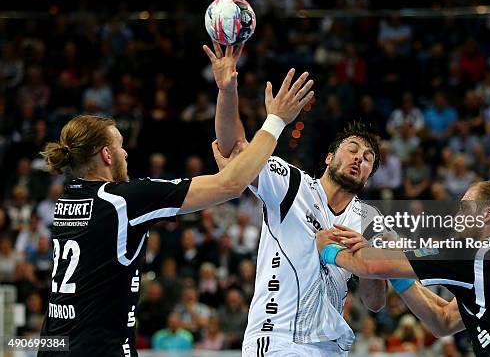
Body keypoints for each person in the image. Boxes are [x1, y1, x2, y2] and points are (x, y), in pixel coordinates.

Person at [37, 64, 312, 357]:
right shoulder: (123, 200)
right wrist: (276, 121)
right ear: (106, 155)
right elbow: (230, 185)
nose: (126, 153)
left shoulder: (66, 201)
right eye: (120, 146)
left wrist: (227, 90)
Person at [204, 42, 387, 356]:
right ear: (329, 157)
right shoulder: (291, 184)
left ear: (370, 174)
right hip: (278, 340)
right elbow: (234, 148)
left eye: (368, 158)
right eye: (353, 149)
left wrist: (365, 257)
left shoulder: (368, 220)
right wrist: (227, 90)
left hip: (331, 347)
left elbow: (375, 303)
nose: (359, 159)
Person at [316, 181, 490, 356]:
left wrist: (327, 248)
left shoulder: (473, 252)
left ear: (487, 214)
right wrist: (395, 272)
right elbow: (442, 320)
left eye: (465, 208)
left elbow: (369, 265)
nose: (457, 215)